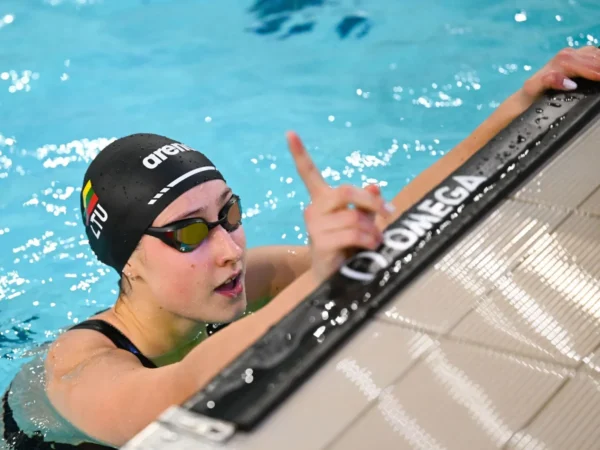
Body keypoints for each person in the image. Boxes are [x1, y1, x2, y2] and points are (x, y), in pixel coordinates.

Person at [2, 45, 600, 450]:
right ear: (126, 262)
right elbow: (172, 396)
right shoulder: (78, 370)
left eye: (228, 215)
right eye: (188, 234)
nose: (230, 249)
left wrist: (523, 104)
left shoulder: (242, 278)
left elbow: (393, 232)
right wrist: (319, 279)